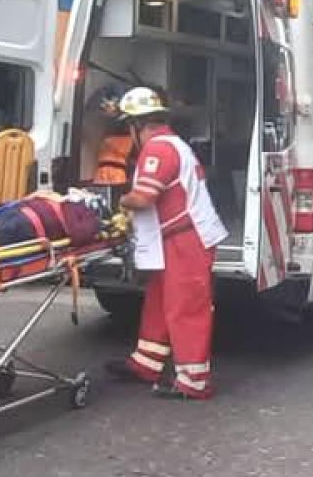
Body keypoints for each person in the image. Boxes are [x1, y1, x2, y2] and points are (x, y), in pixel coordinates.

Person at [105, 86, 227, 400]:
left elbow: (145, 198)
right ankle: (146, 363)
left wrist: (120, 205)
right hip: (177, 237)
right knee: (159, 300)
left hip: (187, 239)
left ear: (137, 125)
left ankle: (194, 381)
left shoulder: (158, 149)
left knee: (185, 307)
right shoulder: (173, 144)